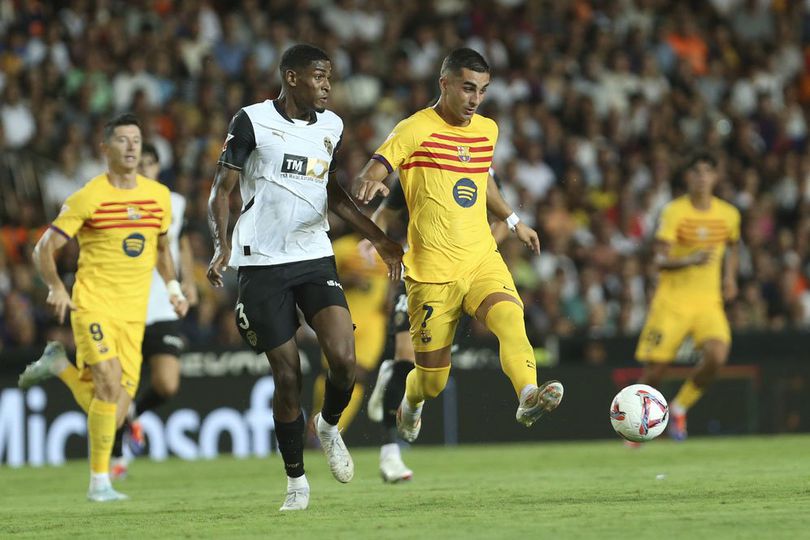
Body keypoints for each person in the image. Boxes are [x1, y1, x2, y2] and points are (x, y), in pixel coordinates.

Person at [206, 44, 402, 511]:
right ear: (291, 77)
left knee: (345, 359)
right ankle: (296, 481)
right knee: (288, 375)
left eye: (329, 77)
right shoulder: (251, 121)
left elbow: (332, 192)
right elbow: (221, 189)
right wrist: (221, 244)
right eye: (318, 76)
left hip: (314, 255)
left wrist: (380, 238)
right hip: (261, 262)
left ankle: (328, 425)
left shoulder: (332, 126)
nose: (327, 86)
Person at [353, 48, 563, 447]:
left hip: (480, 259)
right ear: (444, 83)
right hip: (431, 275)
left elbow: (483, 179)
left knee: (510, 318)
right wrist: (370, 179)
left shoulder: (487, 130)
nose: (475, 99)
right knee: (432, 381)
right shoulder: (414, 129)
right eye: (468, 88)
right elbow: (376, 166)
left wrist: (514, 221)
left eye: (482, 90)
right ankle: (411, 403)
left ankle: (527, 396)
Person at [18, 113, 189, 501]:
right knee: (109, 384)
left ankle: (60, 366)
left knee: (115, 408)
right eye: (123, 140)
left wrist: (173, 287)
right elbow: (44, 247)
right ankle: (99, 484)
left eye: (136, 140)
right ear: (105, 148)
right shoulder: (89, 196)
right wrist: (56, 287)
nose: (131, 147)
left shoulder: (158, 196)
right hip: (94, 305)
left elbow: (162, 248)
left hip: (135, 314)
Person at [634, 152, 740, 441]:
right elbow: (658, 260)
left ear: (716, 176)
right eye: (696, 171)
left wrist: (730, 277)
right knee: (655, 371)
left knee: (717, 355)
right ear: (687, 177)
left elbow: (733, 246)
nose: (702, 177)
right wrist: (690, 259)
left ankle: (679, 407)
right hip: (673, 301)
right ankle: (634, 427)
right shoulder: (674, 212)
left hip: (708, 302)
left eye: (707, 171)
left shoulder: (729, 214)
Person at [110, 142, 199, 479]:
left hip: (163, 303)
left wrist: (188, 281)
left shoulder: (174, 202)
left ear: (159, 166)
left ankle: (133, 414)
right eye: (140, 162)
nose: (145, 167)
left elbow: (181, 242)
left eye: (150, 162)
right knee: (120, 385)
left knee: (166, 384)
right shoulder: (120, 201)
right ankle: (116, 460)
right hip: (127, 304)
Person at [307, 228, 389, 439]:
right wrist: (346, 280)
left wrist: (391, 297)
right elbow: (319, 279)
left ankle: (329, 431)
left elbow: (395, 276)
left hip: (373, 322)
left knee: (357, 376)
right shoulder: (341, 247)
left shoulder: (385, 247)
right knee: (335, 373)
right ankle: (318, 423)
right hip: (342, 318)